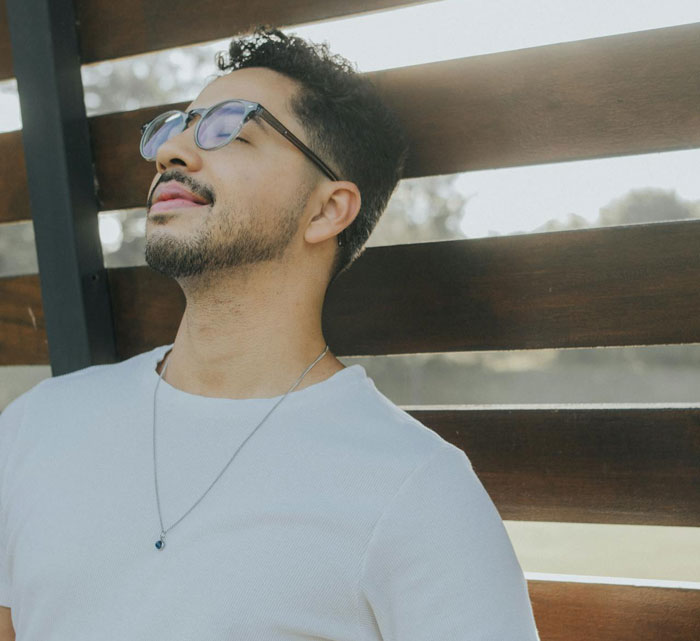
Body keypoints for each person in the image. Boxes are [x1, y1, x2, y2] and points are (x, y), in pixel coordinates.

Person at [0, 25, 540, 641]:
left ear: (326, 209)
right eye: (178, 124)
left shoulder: (418, 491)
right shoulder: (36, 426)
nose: (171, 151)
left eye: (229, 128)